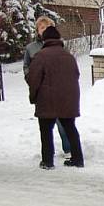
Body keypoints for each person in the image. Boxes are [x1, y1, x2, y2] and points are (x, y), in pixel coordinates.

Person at [25, 26, 84, 169]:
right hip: (68, 99)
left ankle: (47, 161)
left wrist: (33, 97)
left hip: (47, 100)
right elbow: (76, 75)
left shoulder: (40, 56)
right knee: (70, 128)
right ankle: (77, 159)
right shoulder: (68, 56)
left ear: (44, 39)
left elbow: (34, 79)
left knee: (46, 131)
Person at [24, 16, 71, 161]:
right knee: (45, 125)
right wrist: (31, 80)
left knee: (63, 122)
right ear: (37, 31)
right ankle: (48, 154)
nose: (44, 30)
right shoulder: (31, 48)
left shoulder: (60, 45)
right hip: (42, 91)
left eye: (47, 27)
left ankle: (68, 148)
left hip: (58, 90)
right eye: (41, 28)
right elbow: (27, 68)